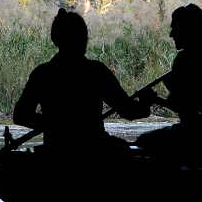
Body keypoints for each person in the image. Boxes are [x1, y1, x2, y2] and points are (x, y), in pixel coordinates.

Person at [13, 8, 151, 156]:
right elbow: (129, 111)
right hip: (94, 149)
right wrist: (145, 103)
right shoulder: (96, 71)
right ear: (83, 38)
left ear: (56, 39)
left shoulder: (42, 73)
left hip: (55, 150)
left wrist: (54, 124)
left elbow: (21, 115)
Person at [135, 3, 202, 157]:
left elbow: (182, 106)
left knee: (144, 141)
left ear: (187, 30)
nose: (171, 34)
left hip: (197, 135)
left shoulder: (183, 60)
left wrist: (153, 98)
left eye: (174, 28)